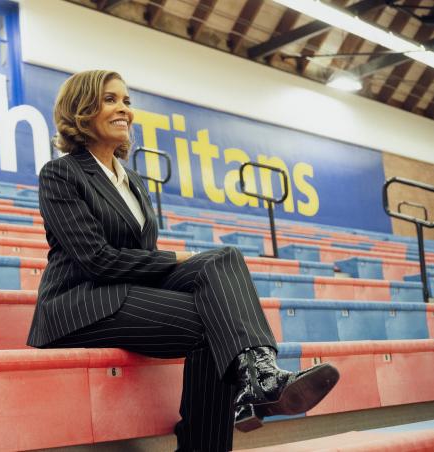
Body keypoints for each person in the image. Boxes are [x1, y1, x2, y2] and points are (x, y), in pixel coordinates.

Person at [26, 70, 340, 452]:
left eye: (126, 100)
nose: (124, 108)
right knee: (217, 320)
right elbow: (97, 260)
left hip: (126, 296)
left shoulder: (134, 181)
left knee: (224, 257)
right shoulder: (61, 173)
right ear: (82, 111)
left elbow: (140, 257)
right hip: (80, 306)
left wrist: (174, 262)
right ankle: (235, 410)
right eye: (110, 100)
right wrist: (175, 258)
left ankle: (262, 375)